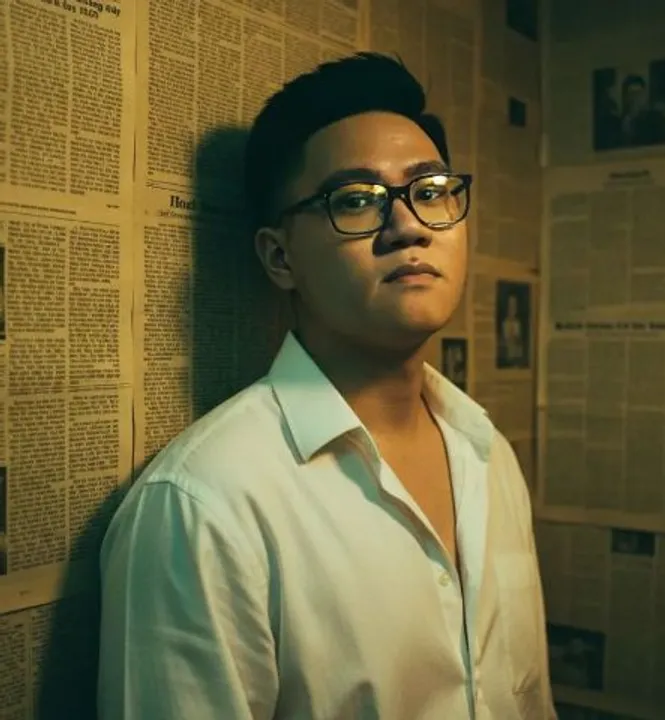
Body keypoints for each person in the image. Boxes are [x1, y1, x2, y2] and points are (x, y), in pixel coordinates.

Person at [98, 52, 556, 719]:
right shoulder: (205, 505)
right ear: (280, 257)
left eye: (431, 190)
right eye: (356, 201)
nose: (409, 226)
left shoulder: (486, 452)